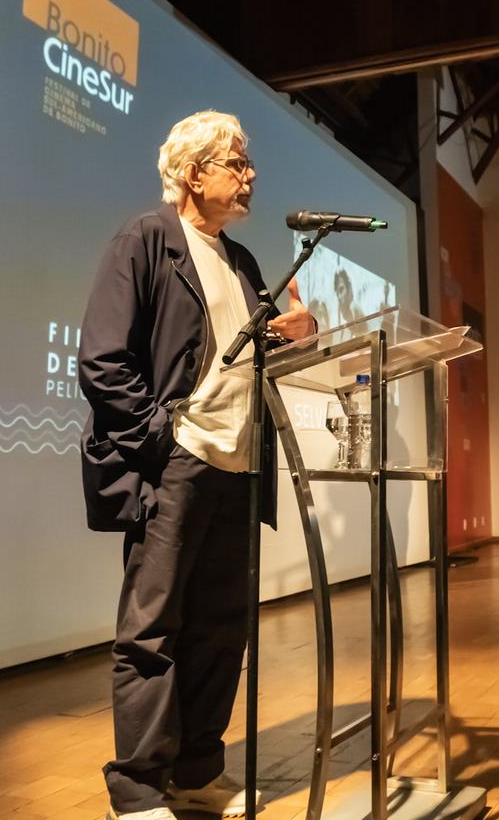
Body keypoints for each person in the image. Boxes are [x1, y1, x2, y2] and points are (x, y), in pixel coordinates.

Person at [79, 111, 316, 820]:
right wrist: (164, 440)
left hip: (239, 467)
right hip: (176, 466)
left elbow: (244, 362)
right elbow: (103, 361)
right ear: (193, 173)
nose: (250, 176)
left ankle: (196, 767)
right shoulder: (146, 239)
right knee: (152, 631)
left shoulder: (241, 262)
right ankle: (137, 787)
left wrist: (296, 337)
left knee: (221, 628)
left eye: (247, 164)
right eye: (236, 163)